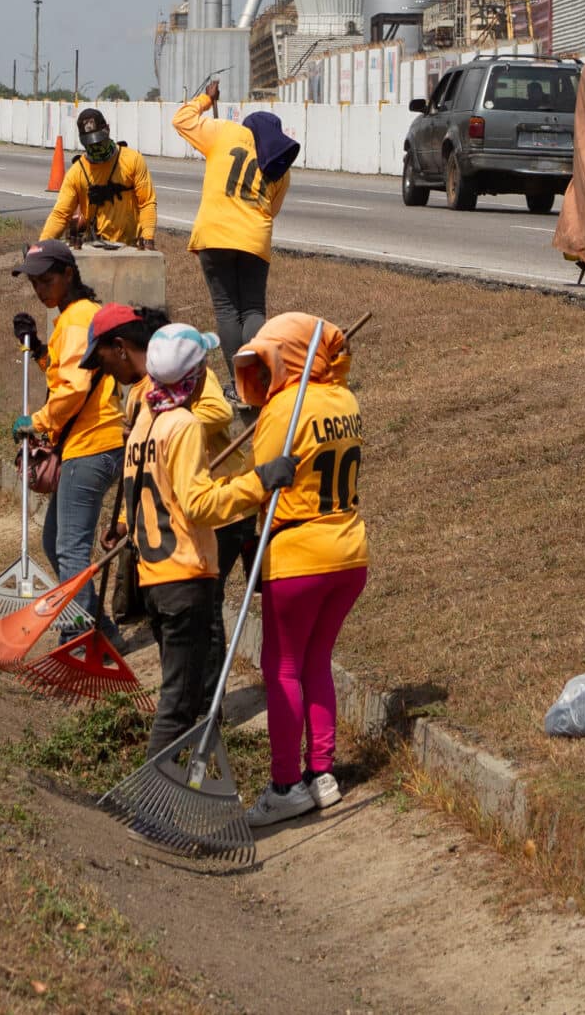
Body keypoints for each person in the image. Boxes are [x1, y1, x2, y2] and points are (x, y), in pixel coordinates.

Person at [224, 313, 367, 827]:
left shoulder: (284, 409)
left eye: (265, 365)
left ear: (288, 358)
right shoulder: (344, 399)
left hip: (297, 554)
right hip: (349, 551)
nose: (258, 379)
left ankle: (285, 784)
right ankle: (322, 774)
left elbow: (262, 480)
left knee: (281, 668)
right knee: (317, 662)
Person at [94, 318, 259, 759]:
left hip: (155, 579)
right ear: (195, 375)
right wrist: (258, 484)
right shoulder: (182, 424)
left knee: (179, 696)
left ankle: (174, 784)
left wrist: (125, 527)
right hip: (185, 576)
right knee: (178, 705)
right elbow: (198, 505)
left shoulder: (142, 426)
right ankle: (154, 803)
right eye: (204, 366)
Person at [9, 240, 127, 644]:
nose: (40, 290)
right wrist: (41, 351)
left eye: (47, 280)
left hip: (93, 444)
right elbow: (73, 375)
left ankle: (74, 640)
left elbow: (75, 388)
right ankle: (102, 630)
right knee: (54, 539)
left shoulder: (77, 319)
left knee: (71, 550)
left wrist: (36, 422)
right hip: (87, 443)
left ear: (69, 275)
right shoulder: (74, 317)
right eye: (34, 282)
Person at [171, 81, 295, 383]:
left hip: (214, 235)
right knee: (252, 309)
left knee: (227, 310)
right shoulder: (280, 164)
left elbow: (181, 120)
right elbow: (273, 209)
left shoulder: (224, 132)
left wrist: (206, 98)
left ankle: (240, 385)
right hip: (254, 238)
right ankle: (259, 379)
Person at [41, 108, 157, 248]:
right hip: (97, 246)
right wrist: (41, 247)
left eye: (99, 141)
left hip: (131, 246)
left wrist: (148, 237)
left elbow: (147, 203)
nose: (96, 147)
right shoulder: (77, 173)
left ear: (107, 129)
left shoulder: (132, 160)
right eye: (90, 144)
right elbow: (60, 215)